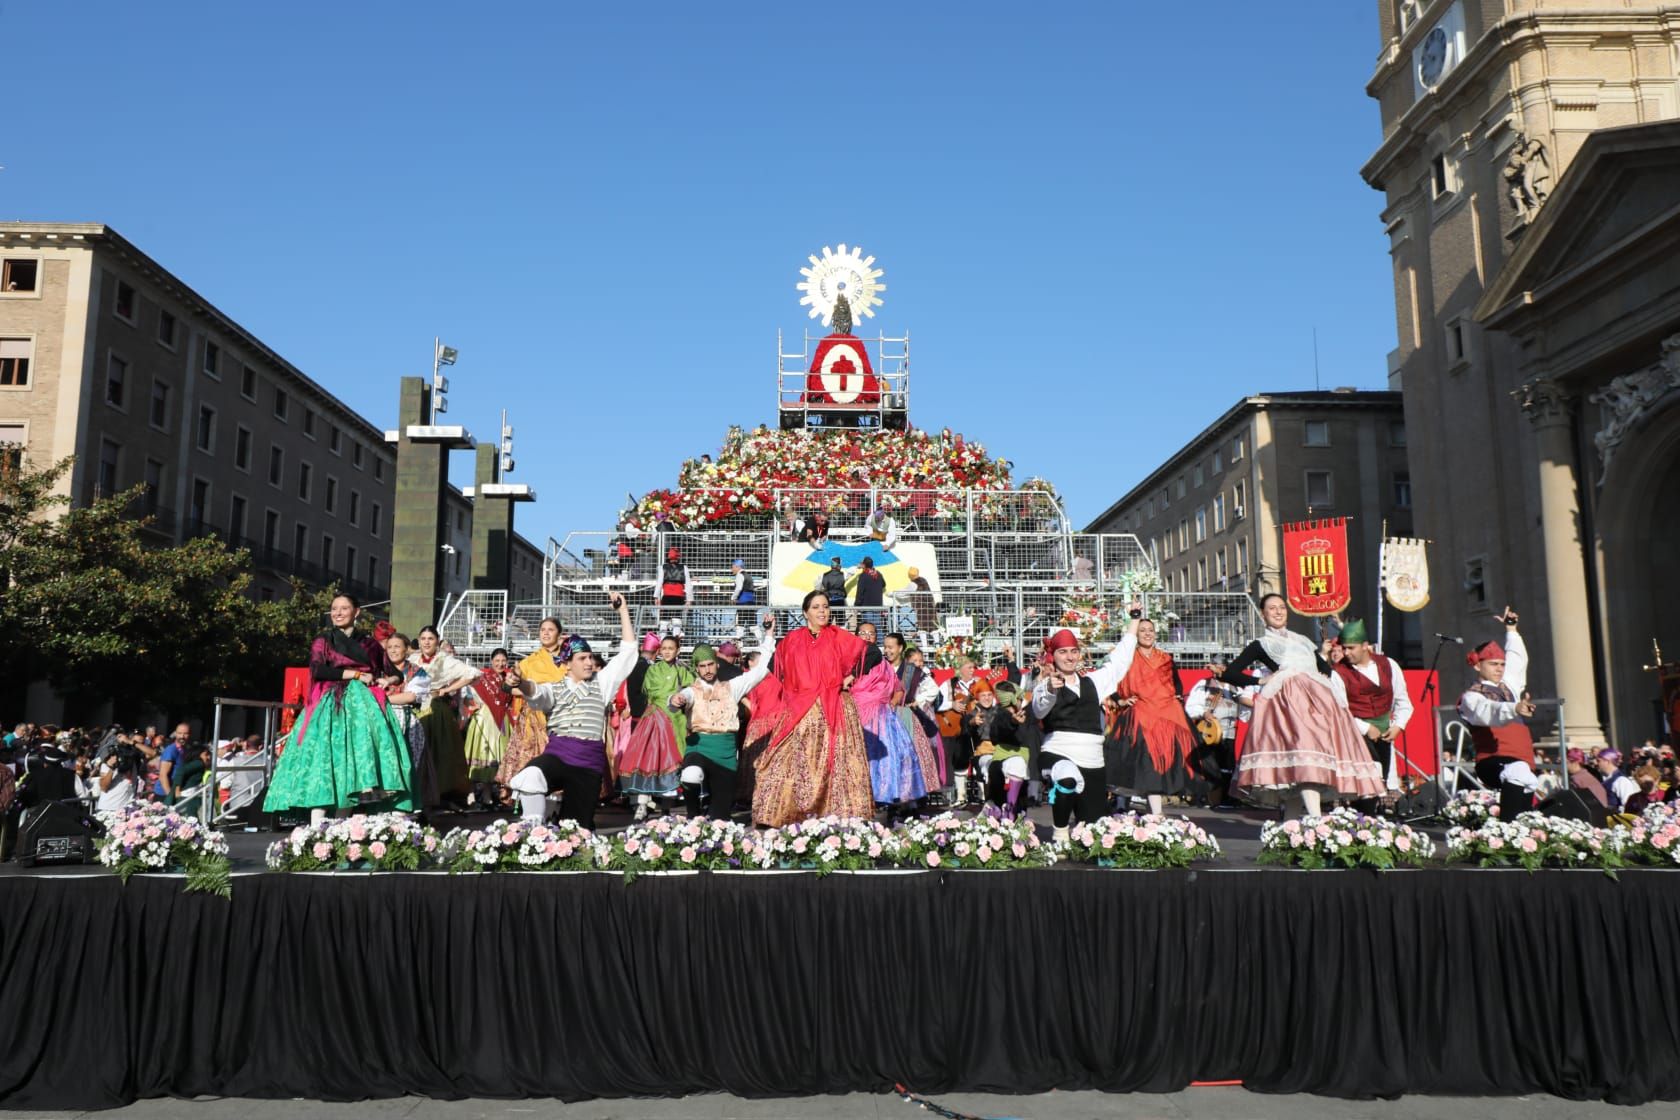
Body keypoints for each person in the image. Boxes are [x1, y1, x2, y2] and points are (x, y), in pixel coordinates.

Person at [1221, 593, 1384, 816]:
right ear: (1263, 614)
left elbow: (1325, 670)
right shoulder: (1262, 644)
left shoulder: (1303, 640)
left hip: (1318, 702)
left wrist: (1329, 680)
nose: (1278, 612)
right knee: (1304, 757)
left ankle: (1292, 829)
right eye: (1272, 608)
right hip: (1289, 704)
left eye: (1282, 607)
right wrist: (1260, 680)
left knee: (1306, 761)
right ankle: (1315, 821)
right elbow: (1230, 673)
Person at [263, 593, 415, 820]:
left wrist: (387, 681)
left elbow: (394, 674)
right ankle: (318, 825)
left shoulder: (370, 643)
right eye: (334, 609)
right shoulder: (323, 640)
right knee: (325, 761)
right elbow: (318, 670)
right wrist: (355, 674)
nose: (338, 613)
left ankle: (343, 825)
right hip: (330, 706)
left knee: (356, 762)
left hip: (363, 709)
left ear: (356, 612)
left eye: (344, 608)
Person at [507, 593, 637, 827]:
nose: (589, 662)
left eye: (589, 657)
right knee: (530, 776)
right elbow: (536, 693)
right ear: (567, 664)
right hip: (558, 754)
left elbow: (628, 653)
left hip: (588, 763)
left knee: (577, 830)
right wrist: (521, 683)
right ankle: (531, 832)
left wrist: (623, 611)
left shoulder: (602, 682)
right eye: (582, 658)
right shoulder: (554, 688)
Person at [750, 589, 876, 826]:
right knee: (783, 760)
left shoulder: (839, 636)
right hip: (800, 711)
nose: (822, 611)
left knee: (839, 762)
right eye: (816, 607)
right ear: (806, 612)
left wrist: (848, 678)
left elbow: (872, 652)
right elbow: (775, 667)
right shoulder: (792, 640)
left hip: (835, 709)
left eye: (826, 606)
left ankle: (842, 816)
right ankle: (778, 814)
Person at [1032, 627, 1134, 842]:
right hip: (1057, 752)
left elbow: (1119, 661)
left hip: (1092, 761)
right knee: (1066, 777)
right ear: (1054, 656)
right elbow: (1039, 709)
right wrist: (1051, 689)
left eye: (1073, 651)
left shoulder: (1094, 682)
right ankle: (1060, 832)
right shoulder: (1045, 685)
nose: (1069, 657)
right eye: (1063, 652)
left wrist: (1133, 621)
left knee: (1095, 834)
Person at [668, 628, 774, 819]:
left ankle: (715, 817)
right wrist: (676, 699)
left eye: (710, 664)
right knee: (690, 775)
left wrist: (768, 636)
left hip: (725, 752)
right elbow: (680, 699)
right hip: (699, 746)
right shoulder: (692, 690)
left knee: (721, 819)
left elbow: (760, 671)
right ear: (696, 668)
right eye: (702, 666)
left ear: (717, 665)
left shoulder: (732, 687)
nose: (707, 670)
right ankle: (693, 815)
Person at [1456, 606, 1542, 823]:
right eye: (1493, 664)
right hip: (1493, 761)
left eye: (1502, 665)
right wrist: (1514, 708)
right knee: (1519, 772)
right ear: (1477, 666)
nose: (1499, 668)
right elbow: (1487, 712)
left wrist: (1511, 630)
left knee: (1527, 782)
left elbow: (1517, 660)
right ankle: (1506, 831)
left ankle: (1518, 836)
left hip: (1522, 759)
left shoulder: (1509, 688)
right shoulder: (1471, 697)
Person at [1105, 613, 1196, 817]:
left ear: (1156, 634)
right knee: (1146, 762)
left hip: (1165, 717)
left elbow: (1177, 686)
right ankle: (1154, 814)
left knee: (1161, 764)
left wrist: (1176, 700)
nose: (1147, 634)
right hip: (1140, 717)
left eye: (1150, 631)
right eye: (1142, 630)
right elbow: (1110, 679)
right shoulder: (1127, 657)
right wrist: (1120, 700)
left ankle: (1153, 813)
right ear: (1135, 634)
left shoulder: (1166, 659)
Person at [854, 620, 941, 816]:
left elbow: (903, 690)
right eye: (863, 633)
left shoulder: (897, 667)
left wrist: (903, 702)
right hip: (864, 715)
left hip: (894, 716)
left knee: (898, 757)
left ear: (900, 648)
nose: (888, 650)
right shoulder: (857, 660)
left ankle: (901, 800)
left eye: (871, 634)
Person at [1329, 618, 1414, 805]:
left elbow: (1403, 701)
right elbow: (1338, 712)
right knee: (1366, 787)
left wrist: (1398, 725)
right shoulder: (1338, 673)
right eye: (1344, 648)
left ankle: (1375, 825)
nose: (1345, 652)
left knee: (1380, 786)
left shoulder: (1389, 665)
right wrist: (1366, 728)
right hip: (1355, 735)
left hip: (1384, 734)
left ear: (1366, 646)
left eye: (1351, 648)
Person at [617, 634, 695, 820]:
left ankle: (666, 809)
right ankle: (642, 804)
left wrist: (683, 699)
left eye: (671, 648)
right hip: (654, 719)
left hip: (676, 720)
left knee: (670, 764)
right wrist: (671, 697)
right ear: (659, 651)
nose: (667, 652)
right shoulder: (653, 670)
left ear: (678, 651)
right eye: (664, 648)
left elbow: (692, 688)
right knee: (649, 759)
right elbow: (651, 691)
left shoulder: (683, 670)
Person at [410, 625, 480, 811]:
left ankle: (437, 794)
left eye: (430, 639)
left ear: (437, 641)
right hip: (412, 707)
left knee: (436, 751)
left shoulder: (444, 660)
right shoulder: (413, 659)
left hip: (435, 710)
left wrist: (446, 690)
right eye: (423, 638)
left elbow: (472, 673)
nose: (426, 642)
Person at [497, 618, 569, 794]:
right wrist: (513, 682)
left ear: (559, 634)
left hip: (562, 716)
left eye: (550, 630)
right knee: (532, 759)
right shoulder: (530, 661)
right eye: (542, 629)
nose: (545, 633)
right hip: (533, 719)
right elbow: (507, 687)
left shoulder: (568, 660)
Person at [463, 648, 514, 809]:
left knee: (498, 755)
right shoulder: (483, 677)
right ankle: (470, 792)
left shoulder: (509, 678)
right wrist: (473, 706)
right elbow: (468, 694)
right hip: (485, 717)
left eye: (503, 660)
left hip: (502, 719)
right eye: (497, 660)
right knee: (479, 753)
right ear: (491, 661)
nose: (500, 663)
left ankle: (487, 793)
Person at [973, 680, 1031, 819]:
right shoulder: (1000, 714)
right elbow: (997, 733)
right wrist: (1013, 722)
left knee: (1019, 779)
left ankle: (1012, 814)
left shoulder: (1027, 712)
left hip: (1023, 757)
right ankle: (1005, 813)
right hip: (1000, 758)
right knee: (1013, 767)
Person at [1593, 749, 1640, 814]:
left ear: (1607, 761)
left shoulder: (1621, 781)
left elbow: (1629, 806)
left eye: (1599, 761)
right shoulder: (1607, 778)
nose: (1596, 763)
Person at [153, 723, 192, 802]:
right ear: (175, 734)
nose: (182, 736)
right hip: (164, 794)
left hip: (176, 792)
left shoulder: (185, 749)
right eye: (179, 733)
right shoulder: (171, 750)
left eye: (185, 734)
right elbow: (163, 775)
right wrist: (170, 796)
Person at [854, 556, 887, 633]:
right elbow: (884, 584)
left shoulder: (863, 576)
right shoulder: (878, 574)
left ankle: (869, 644)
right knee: (877, 626)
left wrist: (856, 605)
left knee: (868, 627)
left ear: (864, 565)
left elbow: (860, 592)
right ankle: (880, 643)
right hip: (878, 605)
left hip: (867, 605)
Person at [659, 546, 692, 612]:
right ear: (678, 557)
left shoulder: (663, 567)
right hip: (679, 596)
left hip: (667, 596)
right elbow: (688, 585)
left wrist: (656, 597)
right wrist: (689, 600)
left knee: (665, 618)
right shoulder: (684, 568)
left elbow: (659, 583)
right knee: (677, 618)